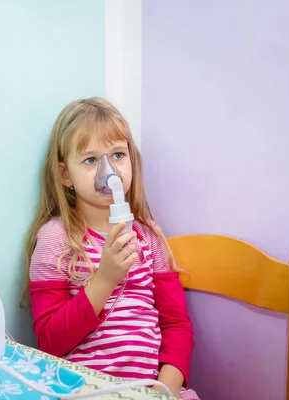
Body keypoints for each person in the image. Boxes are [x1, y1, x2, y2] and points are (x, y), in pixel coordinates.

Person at [22, 97, 200, 399]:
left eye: (118, 155)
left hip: (155, 390)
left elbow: (176, 324)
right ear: (65, 174)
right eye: (91, 160)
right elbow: (50, 342)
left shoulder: (149, 237)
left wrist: (165, 391)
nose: (109, 170)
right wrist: (105, 279)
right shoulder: (56, 239)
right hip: (85, 391)